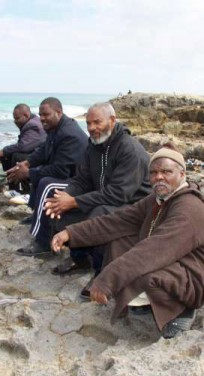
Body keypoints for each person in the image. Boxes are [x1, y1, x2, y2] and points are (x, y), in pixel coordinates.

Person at [50, 144, 204, 339]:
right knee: (118, 242)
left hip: (192, 277)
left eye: (166, 171)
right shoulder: (158, 198)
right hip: (170, 260)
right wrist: (70, 233)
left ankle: (182, 310)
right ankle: (146, 302)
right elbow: (118, 220)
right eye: (153, 173)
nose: (159, 177)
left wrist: (106, 280)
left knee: (142, 275)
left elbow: (153, 251)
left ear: (182, 174)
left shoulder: (189, 208)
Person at [42, 102, 151, 289]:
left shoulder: (129, 149)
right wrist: (64, 197)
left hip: (135, 207)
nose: (92, 128)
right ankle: (80, 259)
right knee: (60, 208)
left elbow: (118, 194)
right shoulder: (93, 146)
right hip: (105, 199)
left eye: (97, 122)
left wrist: (74, 201)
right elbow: (82, 180)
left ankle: (102, 272)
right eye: (88, 123)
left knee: (99, 213)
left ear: (112, 120)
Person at [9, 97, 88, 255]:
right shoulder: (55, 128)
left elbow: (60, 171)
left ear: (58, 113)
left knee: (46, 183)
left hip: (80, 181)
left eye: (46, 114)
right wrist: (27, 164)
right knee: (39, 174)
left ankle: (42, 242)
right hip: (68, 174)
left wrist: (29, 173)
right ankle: (36, 215)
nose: (42, 118)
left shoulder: (68, 134)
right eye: (40, 114)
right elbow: (44, 150)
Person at [0, 104, 46, 195]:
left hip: (38, 158)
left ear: (26, 115)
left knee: (14, 159)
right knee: (9, 163)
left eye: (17, 118)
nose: (15, 121)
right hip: (35, 155)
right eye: (14, 118)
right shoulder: (32, 121)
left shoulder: (33, 125)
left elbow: (24, 146)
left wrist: (4, 151)